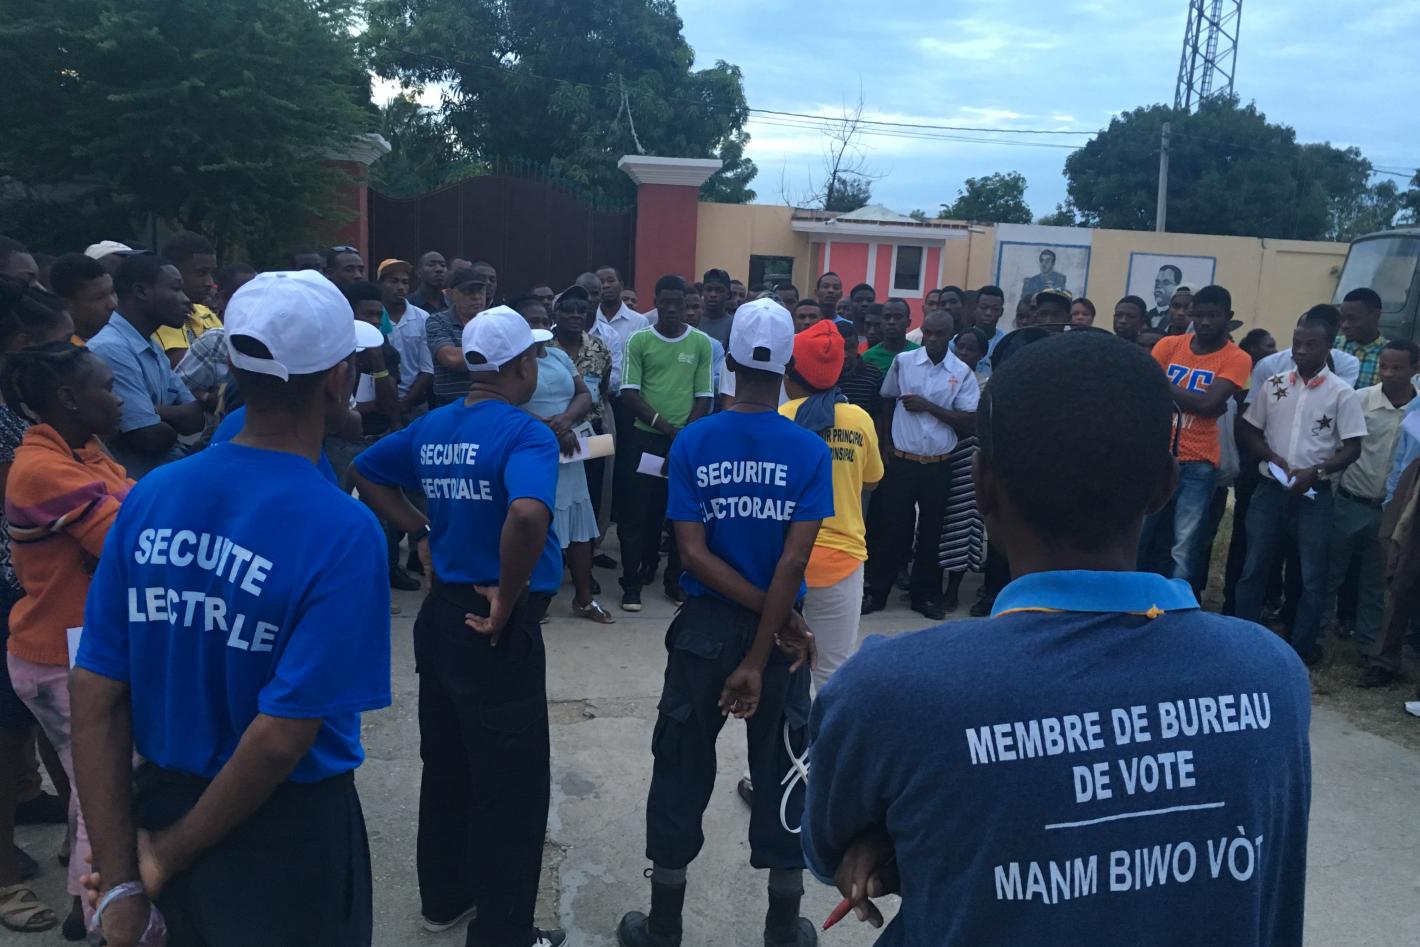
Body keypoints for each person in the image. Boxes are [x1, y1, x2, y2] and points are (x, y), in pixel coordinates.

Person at [803, 331, 1311, 946]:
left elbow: (826, 846)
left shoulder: (891, 692)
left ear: (982, 485)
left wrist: (896, 841)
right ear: (1165, 486)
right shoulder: (1270, 675)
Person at [72, 270, 393, 947]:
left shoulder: (153, 494)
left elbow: (95, 691)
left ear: (235, 371)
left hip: (161, 799)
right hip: (284, 833)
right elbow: (279, 737)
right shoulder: (341, 528)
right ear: (338, 380)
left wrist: (123, 878)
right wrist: (165, 856)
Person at [617, 298, 832, 947]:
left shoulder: (693, 440)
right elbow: (793, 559)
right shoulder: (808, 448)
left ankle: (664, 925)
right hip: (782, 633)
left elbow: (692, 555)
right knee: (786, 766)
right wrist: (772, 636)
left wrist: (750, 645)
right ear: (789, 366)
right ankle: (782, 928)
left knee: (681, 764)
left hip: (705, 630)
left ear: (730, 361)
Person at [352, 306, 565, 947]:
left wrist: (421, 529)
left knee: (447, 764)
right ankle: (504, 933)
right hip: (492, 624)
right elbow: (527, 515)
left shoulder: (435, 424)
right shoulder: (526, 434)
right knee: (511, 786)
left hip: (442, 615)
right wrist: (509, 596)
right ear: (521, 366)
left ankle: (445, 899)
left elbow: (366, 470)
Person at [3, 341, 131, 937]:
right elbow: (124, 540)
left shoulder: (83, 451)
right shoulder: (41, 470)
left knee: (91, 787)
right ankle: (100, 915)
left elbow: (132, 501)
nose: (118, 397)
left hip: (75, 648)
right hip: (58, 655)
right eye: (107, 386)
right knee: (104, 791)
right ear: (68, 398)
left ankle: (89, 906)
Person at [1235, 309, 1367, 665]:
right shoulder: (1274, 385)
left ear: (1329, 347)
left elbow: (1353, 446)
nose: (1301, 351)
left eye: (1311, 344)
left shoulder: (1341, 394)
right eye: (1297, 343)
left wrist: (1318, 471)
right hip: (1270, 488)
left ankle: (1302, 647)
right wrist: (1269, 455)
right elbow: (1248, 428)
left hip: (1314, 494)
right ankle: (1242, 639)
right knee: (1254, 566)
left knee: (1312, 575)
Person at [780, 320, 881, 690]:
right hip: (842, 560)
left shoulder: (783, 418)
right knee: (832, 671)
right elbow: (872, 479)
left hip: (785, 559)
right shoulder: (859, 419)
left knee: (781, 666)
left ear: (792, 373)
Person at [863, 310, 979, 620]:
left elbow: (969, 421)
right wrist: (886, 444)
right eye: (927, 332)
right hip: (903, 460)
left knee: (931, 532)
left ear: (950, 336)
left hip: (939, 465)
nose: (932, 339)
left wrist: (929, 407)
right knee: (891, 529)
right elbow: (887, 399)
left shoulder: (962, 373)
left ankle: (924, 596)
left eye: (939, 334)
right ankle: (877, 592)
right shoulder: (903, 362)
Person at [1138, 285, 1253, 584]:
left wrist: (1162, 385)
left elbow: (1209, 404)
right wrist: (1196, 400)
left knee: (1184, 545)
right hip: (1157, 455)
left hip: (1199, 461)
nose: (1204, 322)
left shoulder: (1237, 357)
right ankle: (1129, 598)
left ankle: (1178, 604)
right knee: (1139, 533)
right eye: (1199, 315)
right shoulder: (1169, 345)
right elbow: (1145, 390)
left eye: (1213, 315)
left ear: (1228, 316)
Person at [617, 276, 714, 611]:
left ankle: (675, 581)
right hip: (646, 439)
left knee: (680, 515)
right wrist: (670, 430)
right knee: (637, 514)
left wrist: (682, 437)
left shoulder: (700, 343)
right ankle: (632, 583)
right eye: (666, 302)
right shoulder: (639, 339)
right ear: (656, 301)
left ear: (688, 304)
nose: (672, 309)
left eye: (679, 303)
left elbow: (704, 396)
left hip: (686, 442)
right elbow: (629, 393)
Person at [515, 296, 612, 624]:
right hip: (534, 449)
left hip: (570, 450)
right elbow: (508, 405)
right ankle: (534, 598)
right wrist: (552, 431)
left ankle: (584, 599)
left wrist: (566, 421)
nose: (540, 326)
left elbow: (585, 393)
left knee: (580, 527)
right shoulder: (513, 361)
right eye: (532, 321)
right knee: (537, 524)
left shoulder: (557, 356)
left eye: (544, 320)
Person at [1328, 340, 1416, 686]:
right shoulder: (1360, 400)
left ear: (1415, 369)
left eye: (1398, 368)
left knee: (1376, 583)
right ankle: (1316, 638)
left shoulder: (1418, 410)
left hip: (1389, 508)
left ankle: (1369, 649)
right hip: (1351, 500)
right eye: (1384, 366)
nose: (1389, 374)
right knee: (1330, 574)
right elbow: (1342, 447)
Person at [86, 255, 204, 478]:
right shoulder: (110, 348)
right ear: (141, 291)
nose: (186, 299)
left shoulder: (150, 346)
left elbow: (195, 418)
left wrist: (153, 411)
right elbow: (150, 437)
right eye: (176, 289)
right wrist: (156, 418)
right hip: (136, 485)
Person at [549, 287, 614, 528]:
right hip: (552, 431)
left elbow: (603, 387)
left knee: (593, 491)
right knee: (556, 492)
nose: (576, 315)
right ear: (555, 313)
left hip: (591, 431)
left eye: (582, 310)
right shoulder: (543, 347)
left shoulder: (599, 347)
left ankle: (589, 544)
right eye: (568, 310)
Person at [937, 327, 991, 612]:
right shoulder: (943, 377)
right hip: (940, 453)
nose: (964, 353)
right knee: (937, 523)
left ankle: (953, 589)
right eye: (960, 347)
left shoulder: (984, 385)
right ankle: (932, 584)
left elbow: (970, 423)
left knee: (962, 523)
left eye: (971, 349)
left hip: (968, 456)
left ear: (981, 355)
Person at [377, 259, 435, 424]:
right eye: (393, 281)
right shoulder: (373, 317)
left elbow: (427, 369)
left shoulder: (422, 317)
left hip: (415, 405)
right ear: (381, 284)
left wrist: (404, 404)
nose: (400, 287)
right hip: (378, 405)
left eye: (405, 282)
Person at [1251, 305, 1361, 390]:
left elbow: (1336, 399)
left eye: (1312, 344)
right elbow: (1253, 406)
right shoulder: (1268, 365)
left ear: (1330, 341)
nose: (1302, 351)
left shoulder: (1348, 363)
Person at [153, 232, 221, 368]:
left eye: (211, 273)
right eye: (201, 273)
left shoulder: (206, 312)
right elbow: (184, 367)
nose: (209, 282)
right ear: (174, 271)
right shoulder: (159, 315)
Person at [426, 269, 488, 407]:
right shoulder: (437, 321)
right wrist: (496, 351)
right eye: (468, 292)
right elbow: (452, 359)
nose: (476, 297)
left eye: (480, 291)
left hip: (487, 403)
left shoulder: (495, 321)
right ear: (451, 293)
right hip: (449, 405)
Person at [48, 253, 116, 342]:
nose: (113, 304)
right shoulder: (61, 347)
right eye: (99, 297)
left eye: (113, 292)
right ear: (67, 304)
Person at [680, 288, 725, 405]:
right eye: (686, 307)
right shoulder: (665, 341)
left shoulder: (714, 346)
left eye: (695, 307)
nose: (690, 313)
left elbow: (719, 382)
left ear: (703, 310)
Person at [1336, 287, 1387, 388]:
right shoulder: (1331, 347)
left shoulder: (1391, 355)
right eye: (1342, 319)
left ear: (1375, 315)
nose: (1344, 325)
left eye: (1352, 318)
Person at [834, 320, 884, 422]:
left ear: (857, 345)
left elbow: (879, 415)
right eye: (839, 348)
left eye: (850, 348)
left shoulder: (873, 374)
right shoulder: (823, 377)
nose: (845, 355)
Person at [860, 298, 919, 374]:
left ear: (908, 322)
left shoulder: (920, 354)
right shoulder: (868, 357)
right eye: (887, 317)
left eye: (898, 317)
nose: (891, 322)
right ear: (881, 322)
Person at [695, 269, 734, 347]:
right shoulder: (693, 321)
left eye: (719, 290)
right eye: (709, 289)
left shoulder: (733, 325)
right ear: (702, 292)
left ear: (728, 294)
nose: (713, 294)